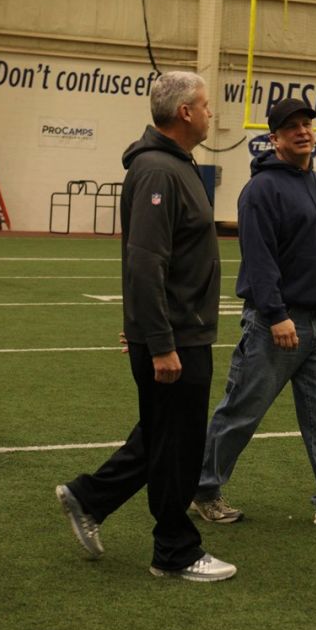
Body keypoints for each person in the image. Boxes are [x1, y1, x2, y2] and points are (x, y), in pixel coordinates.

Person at [54, 71, 236, 582]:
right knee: (177, 446)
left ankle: (89, 497)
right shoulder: (159, 171)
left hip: (177, 330)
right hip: (176, 336)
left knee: (164, 435)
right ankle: (174, 551)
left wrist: (144, 328)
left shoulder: (175, 165)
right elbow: (144, 262)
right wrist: (157, 341)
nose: (209, 113)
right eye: (204, 105)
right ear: (184, 113)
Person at [191, 98, 316, 532]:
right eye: (291, 126)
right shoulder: (261, 190)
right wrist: (276, 315)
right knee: (241, 411)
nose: (302, 131)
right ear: (273, 138)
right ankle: (202, 490)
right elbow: (258, 259)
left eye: (307, 124)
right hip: (276, 323)